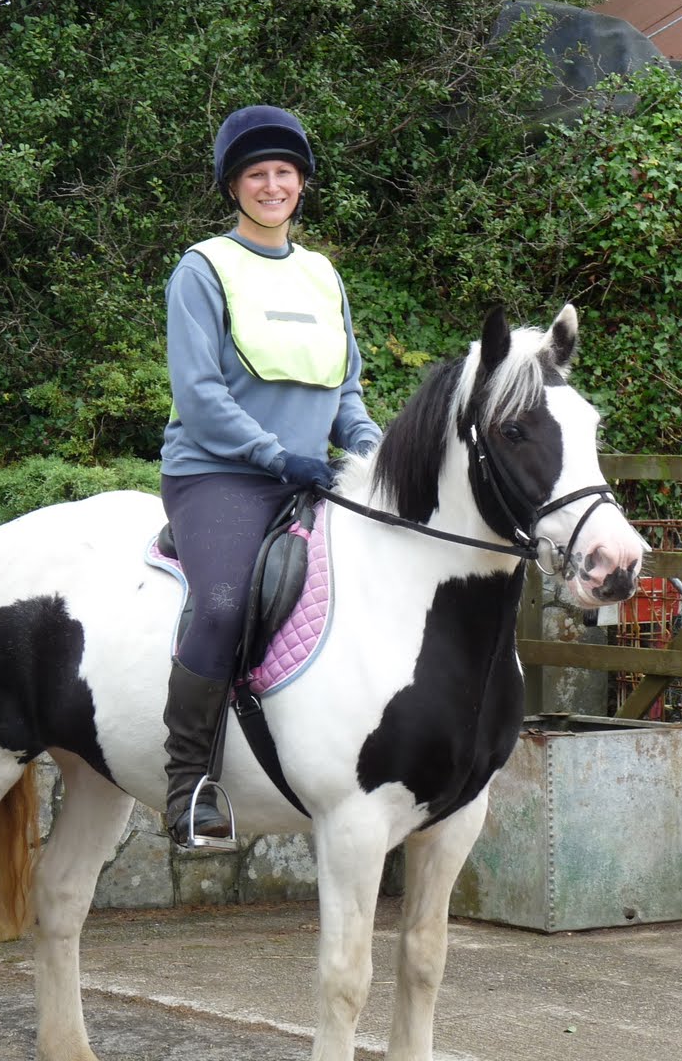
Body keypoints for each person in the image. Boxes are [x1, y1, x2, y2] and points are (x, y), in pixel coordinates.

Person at [160, 106, 382, 846]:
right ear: (233, 186)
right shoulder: (201, 270)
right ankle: (187, 784)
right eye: (256, 173)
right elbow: (199, 397)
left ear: (302, 184)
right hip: (220, 477)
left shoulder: (323, 276)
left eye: (284, 172)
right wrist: (274, 454)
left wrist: (372, 454)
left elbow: (345, 392)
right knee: (223, 604)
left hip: (310, 477)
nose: (272, 184)